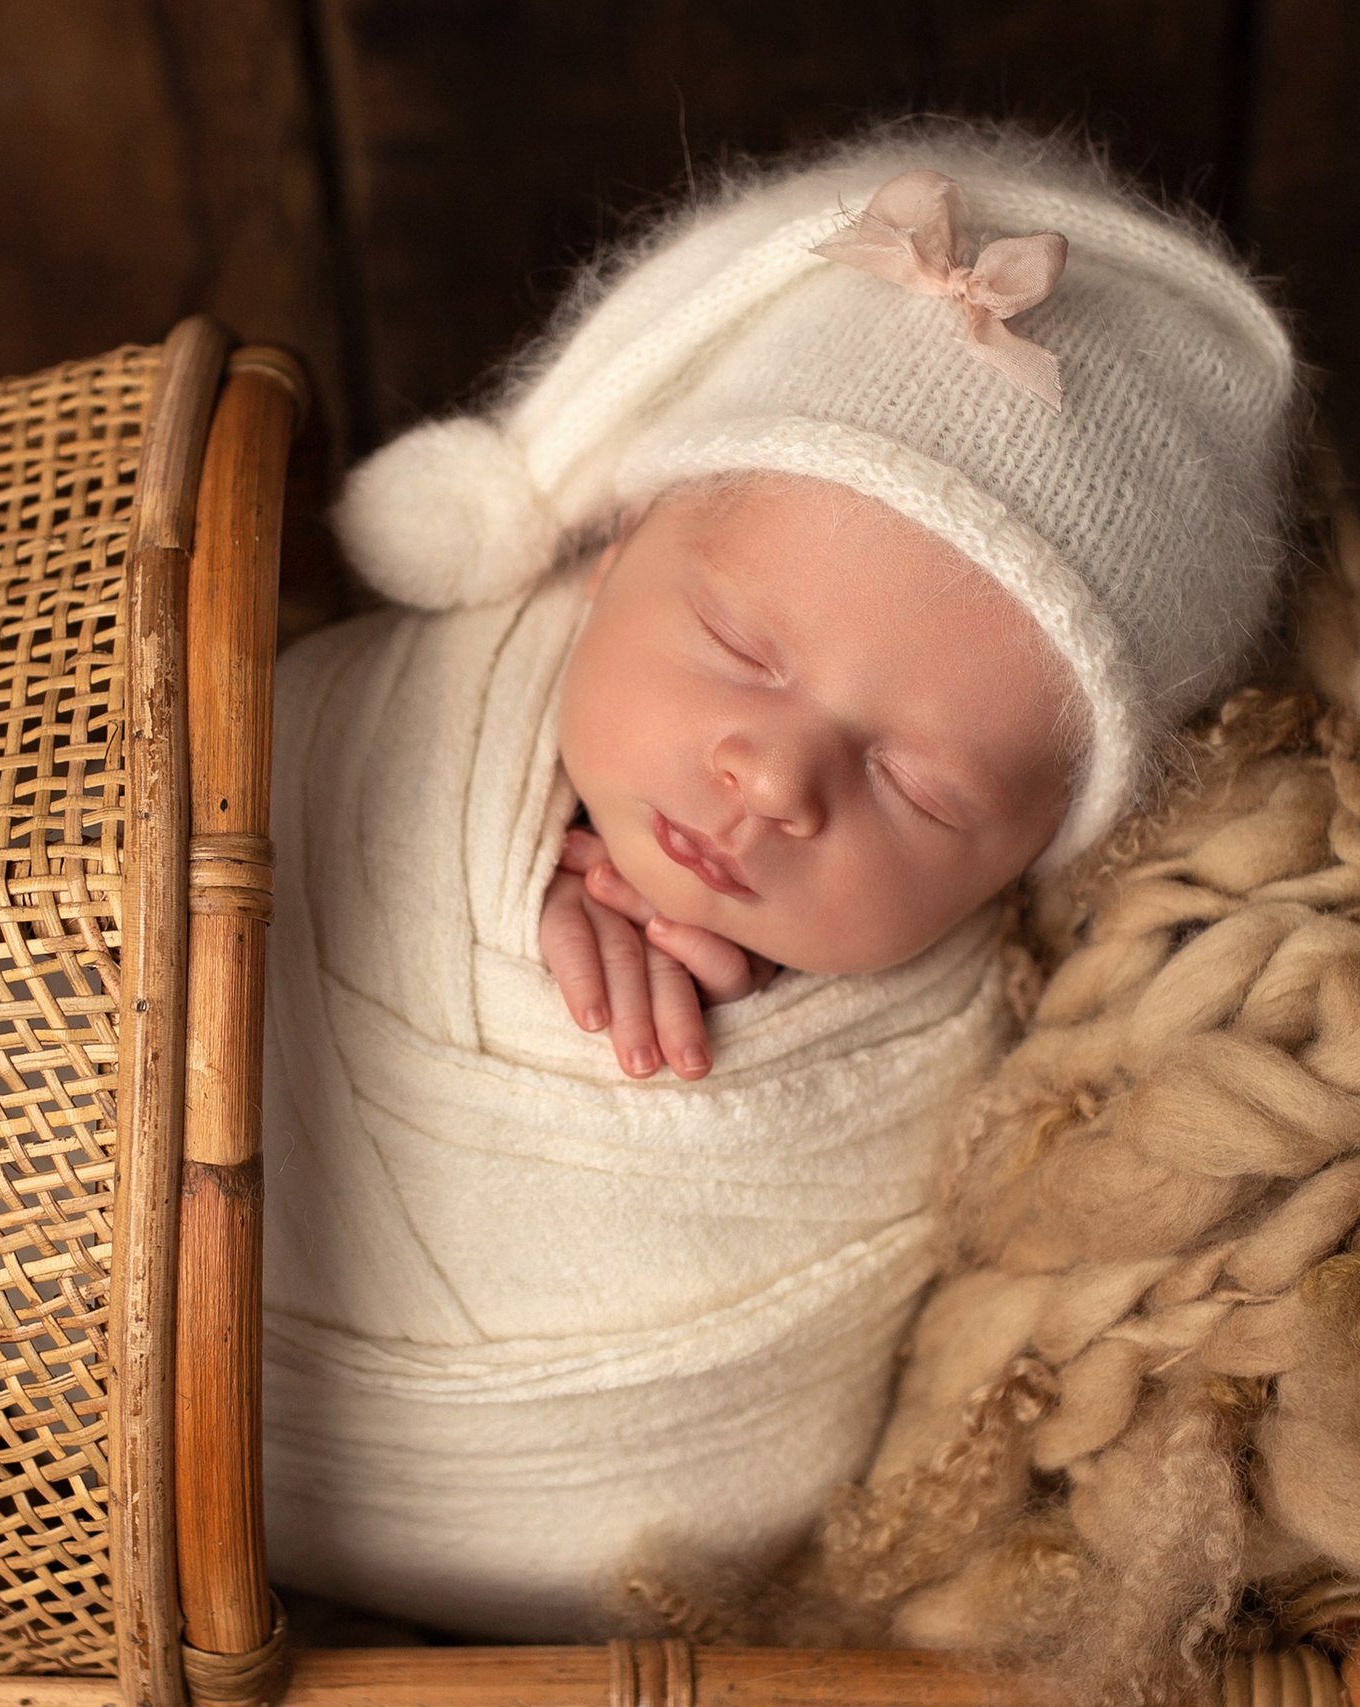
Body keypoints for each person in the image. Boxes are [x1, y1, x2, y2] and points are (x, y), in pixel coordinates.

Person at [258, 120, 1301, 1639]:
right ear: (604, 551)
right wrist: (482, 873)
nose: (779, 780)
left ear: (1037, 861)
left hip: (597, 1539)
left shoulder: (996, 1033)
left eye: (920, 787)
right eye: (743, 650)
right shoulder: (421, 709)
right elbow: (217, 815)